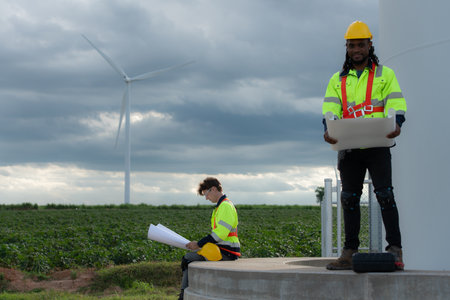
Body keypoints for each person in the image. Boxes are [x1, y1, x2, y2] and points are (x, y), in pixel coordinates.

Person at [322, 21, 406, 270]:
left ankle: (395, 250)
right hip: (349, 148)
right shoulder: (337, 80)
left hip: (378, 144)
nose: (356, 49)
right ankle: (349, 252)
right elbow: (330, 110)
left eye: (361, 44)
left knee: (385, 195)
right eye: (352, 45)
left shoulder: (385, 74)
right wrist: (327, 129)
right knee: (349, 198)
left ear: (370, 45)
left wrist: (397, 122)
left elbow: (396, 103)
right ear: (346, 48)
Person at [178, 177, 241, 299]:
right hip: (221, 250)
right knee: (189, 258)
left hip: (227, 252)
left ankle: (183, 296)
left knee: (188, 259)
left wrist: (199, 244)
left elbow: (220, 234)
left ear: (213, 189)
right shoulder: (220, 207)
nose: (206, 198)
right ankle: (184, 294)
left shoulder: (225, 206)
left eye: (206, 194)